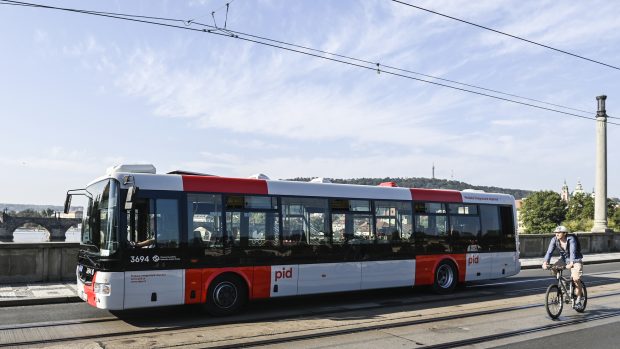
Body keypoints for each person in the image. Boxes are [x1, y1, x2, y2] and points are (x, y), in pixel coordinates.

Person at [542, 225, 584, 307]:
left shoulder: (571, 239)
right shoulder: (554, 240)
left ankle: (578, 299)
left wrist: (571, 263)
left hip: (575, 260)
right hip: (564, 259)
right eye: (555, 232)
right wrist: (545, 262)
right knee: (553, 269)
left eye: (559, 232)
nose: (556, 234)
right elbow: (549, 252)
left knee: (576, 279)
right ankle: (563, 284)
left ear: (564, 233)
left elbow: (573, 252)